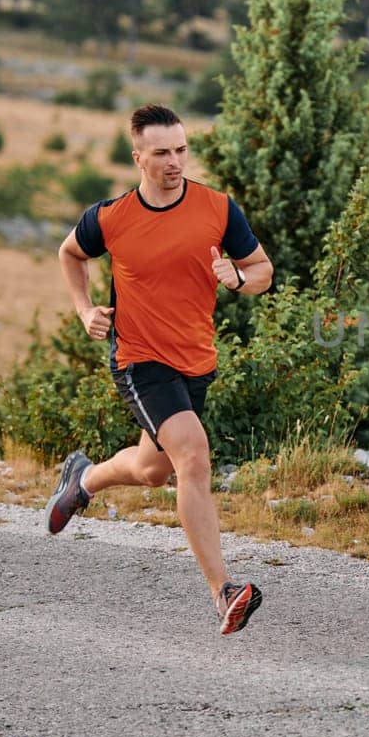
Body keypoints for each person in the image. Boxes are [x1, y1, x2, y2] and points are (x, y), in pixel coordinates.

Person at [44, 103, 274, 635]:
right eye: (162, 153)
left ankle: (84, 479)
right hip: (139, 359)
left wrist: (235, 277)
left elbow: (263, 271)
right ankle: (225, 592)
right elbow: (69, 254)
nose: (175, 162)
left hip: (196, 360)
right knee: (193, 456)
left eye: (181, 150)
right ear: (138, 158)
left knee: (154, 471)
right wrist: (84, 311)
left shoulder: (217, 209)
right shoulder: (110, 218)